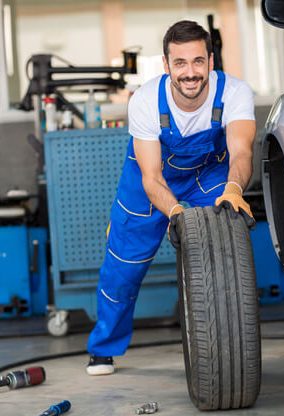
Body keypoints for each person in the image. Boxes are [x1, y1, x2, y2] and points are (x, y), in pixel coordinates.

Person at [86, 20, 256, 375]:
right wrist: (176, 212)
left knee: (224, 239)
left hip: (208, 176)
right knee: (122, 268)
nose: (190, 73)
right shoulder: (146, 101)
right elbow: (151, 176)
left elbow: (241, 152)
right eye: (180, 63)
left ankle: (225, 344)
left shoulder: (235, 92)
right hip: (148, 184)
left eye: (198, 61)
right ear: (166, 66)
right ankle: (103, 348)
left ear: (211, 61)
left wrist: (234, 188)